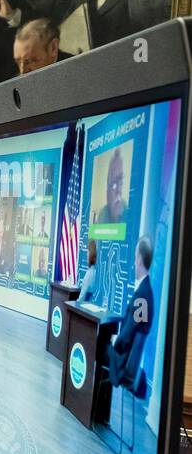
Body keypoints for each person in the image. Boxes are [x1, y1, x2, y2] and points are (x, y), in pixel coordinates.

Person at [107, 236, 154, 398]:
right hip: (127, 360)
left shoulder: (143, 296)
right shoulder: (146, 291)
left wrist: (115, 340)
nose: (134, 262)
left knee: (96, 346)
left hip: (124, 364)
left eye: (135, 257)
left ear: (140, 260)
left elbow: (130, 334)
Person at [93, 150, 128, 225]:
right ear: (107, 191)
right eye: (113, 184)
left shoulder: (128, 211)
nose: (118, 190)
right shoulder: (103, 213)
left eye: (121, 182)